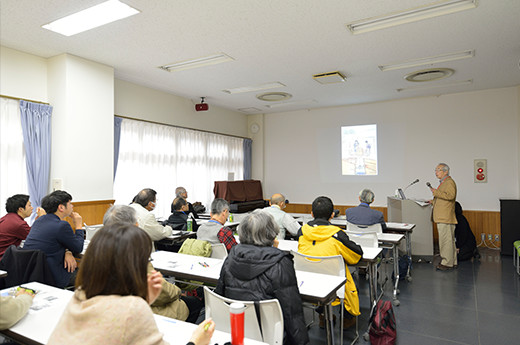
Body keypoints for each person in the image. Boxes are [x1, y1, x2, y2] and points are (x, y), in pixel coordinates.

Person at [47, 223, 215, 345]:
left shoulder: (80, 295)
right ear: (134, 264)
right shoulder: (132, 310)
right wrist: (196, 341)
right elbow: (126, 316)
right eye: (146, 259)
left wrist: (144, 299)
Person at [216, 210, 309, 345]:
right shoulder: (280, 263)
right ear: (272, 234)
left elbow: (220, 296)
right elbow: (292, 312)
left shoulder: (231, 257)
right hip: (270, 335)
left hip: (235, 329)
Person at [103, 204, 202, 323]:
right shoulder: (135, 254)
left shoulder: (97, 254)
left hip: (114, 313)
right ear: (134, 226)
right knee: (194, 304)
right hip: (144, 314)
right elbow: (160, 292)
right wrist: (178, 291)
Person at [298, 196, 363, 329]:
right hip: (334, 284)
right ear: (332, 215)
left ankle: (323, 316)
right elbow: (356, 256)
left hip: (307, 281)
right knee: (348, 279)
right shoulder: (337, 235)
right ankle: (346, 319)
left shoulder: (302, 232)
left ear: (311, 214)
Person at [23, 191, 84, 288]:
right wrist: (78, 225)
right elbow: (78, 247)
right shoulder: (62, 225)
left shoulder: (39, 221)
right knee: (91, 276)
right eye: (70, 203)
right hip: (53, 275)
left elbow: (50, 243)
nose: (72, 206)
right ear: (61, 207)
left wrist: (67, 251)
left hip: (35, 273)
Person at [429, 163, 458, 271]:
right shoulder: (444, 182)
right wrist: (432, 201)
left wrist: (436, 193)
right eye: (435, 170)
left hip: (445, 217)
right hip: (444, 216)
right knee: (449, 240)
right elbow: (444, 197)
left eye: (438, 170)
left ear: (445, 171)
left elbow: (450, 196)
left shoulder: (449, 182)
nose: (436, 172)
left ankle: (446, 262)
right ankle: (452, 261)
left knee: (445, 241)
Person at [0, 194, 45, 259]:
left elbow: (30, 232)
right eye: (29, 205)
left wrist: (37, 221)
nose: (32, 208)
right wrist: (42, 218)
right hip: (4, 260)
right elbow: (35, 237)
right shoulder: (18, 224)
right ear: (21, 209)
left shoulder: (7, 218)